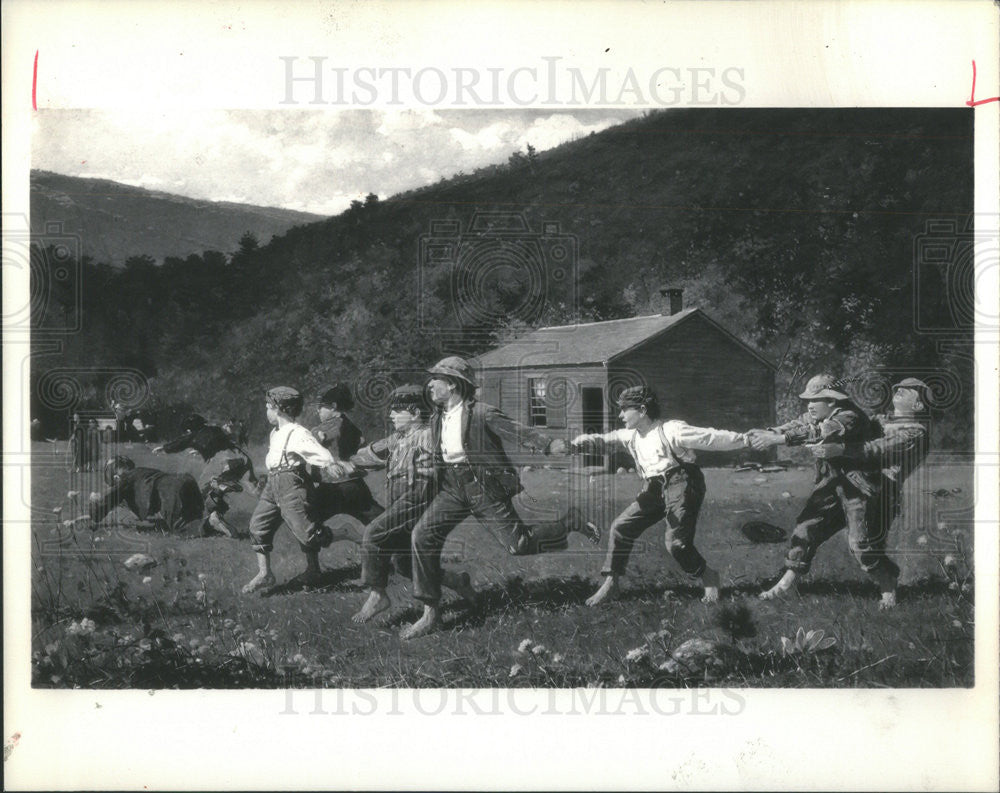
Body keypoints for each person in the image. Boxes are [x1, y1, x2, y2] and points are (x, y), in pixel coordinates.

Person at [402, 356, 595, 640]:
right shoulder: (437, 419)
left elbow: (517, 431)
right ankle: (431, 612)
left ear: (453, 385)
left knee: (519, 545)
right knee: (422, 535)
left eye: (436, 380)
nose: (430, 385)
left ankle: (568, 522)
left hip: (484, 487)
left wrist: (549, 445)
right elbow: (442, 453)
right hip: (453, 489)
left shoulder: (482, 413)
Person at [570, 386, 751, 607]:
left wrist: (746, 439)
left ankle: (708, 576)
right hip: (653, 489)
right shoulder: (630, 436)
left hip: (683, 483)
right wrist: (577, 444)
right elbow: (604, 440)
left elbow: (711, 438)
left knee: (676, 544)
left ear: (643, 410)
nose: (620, 415)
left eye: (625, 410)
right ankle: (611, 583)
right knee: (621, 527)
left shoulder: (672, 430)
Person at [750, 374, 892, 605]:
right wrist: (767, 432)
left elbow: (818, 433)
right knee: (805, 530)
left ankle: (888, 586)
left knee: (860, 544)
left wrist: (776, 440)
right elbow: (798, 424)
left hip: (858, 488)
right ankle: (786, 584)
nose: (809, 405)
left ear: (832, 401)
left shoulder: (849, 417)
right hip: (831, 485)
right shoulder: (819, 413)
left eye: (814, 400)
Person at [338, 385, 475, 624]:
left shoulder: (428, 434)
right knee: (404, 564)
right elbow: (371, 454)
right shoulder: (397, 438)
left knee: (373, 533)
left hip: (418, 495)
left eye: (396, 411)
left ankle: (377, 594)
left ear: (414, 413)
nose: (390, 415)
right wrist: (343, 463)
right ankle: (456, 581)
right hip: (398, 499)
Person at [810, 377, 931, 608]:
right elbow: (861, 427)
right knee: (818, 527)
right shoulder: (882, 421)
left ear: (919, 406)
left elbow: (877, 449)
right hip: (853, 485)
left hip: (881, 493)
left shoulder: (916, 433)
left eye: (908, 391)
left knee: (864, 544)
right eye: (899, 388)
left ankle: (888, 585)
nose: (899, 390)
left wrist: (840, 449)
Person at [241, 386, 342, 593]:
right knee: (258, 525)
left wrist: (329, 463)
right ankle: (265, 573)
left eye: (268, 407)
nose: (266, 412)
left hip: (292, 484)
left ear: (278, 408)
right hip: (273, 484)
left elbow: (316, 451)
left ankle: (344, 534)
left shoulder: (298, 432)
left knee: (307, 532)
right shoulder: (275, 432)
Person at [69, 455, 230, 537]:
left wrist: (93, 510)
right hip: (184, 480)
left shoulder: (125, 480)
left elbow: (106, 502)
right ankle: (216, 494)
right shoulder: (142, 472)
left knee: (180, 528)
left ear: (116, 478)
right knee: (196, 512)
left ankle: (210, 523)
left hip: (168, 491)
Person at [153, 413, 257, 534]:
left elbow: (180, 443)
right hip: (241, 458)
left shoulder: (193, 435)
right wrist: (200, 449)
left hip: (222, 461)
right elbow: (215, 441)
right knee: (253, 487)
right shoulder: (215, 429)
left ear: (190, 429)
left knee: (202, 490)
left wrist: (164, 448)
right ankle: (272, 502)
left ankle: (218, 495)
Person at [311, 383, 364, 461]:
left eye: (320, 407)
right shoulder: (350, 425)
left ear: (333, 406)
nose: (318, 411)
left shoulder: (330, 426)